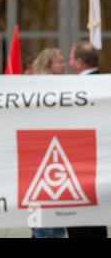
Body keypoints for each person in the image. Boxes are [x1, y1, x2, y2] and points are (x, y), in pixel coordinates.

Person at [67, 42, 107, 238]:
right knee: (98, 219)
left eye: (72, 58)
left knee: (79, 220)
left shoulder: (75, 88)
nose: (69, 61)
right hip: (103, 164)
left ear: (80, 62)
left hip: (80, 164)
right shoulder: (106, 84)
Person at [30, 48, 67, 238]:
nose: (64, 65)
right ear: (47, 65)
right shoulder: (35, 87)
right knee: (41, 220)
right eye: (59, 62)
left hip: (56, 163)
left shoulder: (66, 86)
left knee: (58, 217)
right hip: (37, 159)